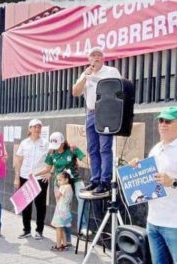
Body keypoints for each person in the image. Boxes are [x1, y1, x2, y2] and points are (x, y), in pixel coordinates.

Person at [130, 106, 177, 264]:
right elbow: (151, 179)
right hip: (154, 221)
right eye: (160, 120)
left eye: (168, 121)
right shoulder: (156, 149)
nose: (162, 124)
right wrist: (137, 167)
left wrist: (173, 181)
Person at [72, 46, 122, 195]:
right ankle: (95, 180)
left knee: (104, 148)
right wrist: (85, 76)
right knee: (92, 149)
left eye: (99, 55)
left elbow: (119, 88)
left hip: (106, 112)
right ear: (89, 59)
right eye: (93, 55)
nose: (96, 58)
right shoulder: (85, 73)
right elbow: (75, 92)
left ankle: (105, 181)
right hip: (91, 113)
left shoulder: (111, 71)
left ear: (103, 58)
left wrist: (98, 79)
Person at [33, 132, 90, 246]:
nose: (56, 148)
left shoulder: (72, 150)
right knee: (63, 210)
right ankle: (67, 240)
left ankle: (82, 228)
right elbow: (48, 168)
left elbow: (85, 159)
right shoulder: (51, 153)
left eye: (57, 145)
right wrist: (34, 174)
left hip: (75, 179)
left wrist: (92, 159)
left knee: (83, 199)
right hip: (60, 183)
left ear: (63, 142)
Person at [15, 119, 49, 240]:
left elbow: (52, 158)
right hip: (25, 177)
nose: (36, 129)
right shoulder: (24, 143)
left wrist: (49, 172)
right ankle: (26, 230)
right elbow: (18, 160)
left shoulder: (45, 143)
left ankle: (39, 230)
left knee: (40, 206)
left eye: (39, 127)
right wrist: (16, 177)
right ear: (29, 129)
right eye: (34, 127)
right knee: (26, 205)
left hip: (39, 178)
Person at [50, 171, 74, 251]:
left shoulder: (63, 187)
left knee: (58, 228)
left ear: (66, 180)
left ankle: (58, 246)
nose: (58, 182)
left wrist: (56, 189)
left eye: (60, 180)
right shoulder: (70, 187)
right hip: (66, 210)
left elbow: (57, 196)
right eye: (57, 180)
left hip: (60, 210)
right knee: (62, 227)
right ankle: (65, 244)